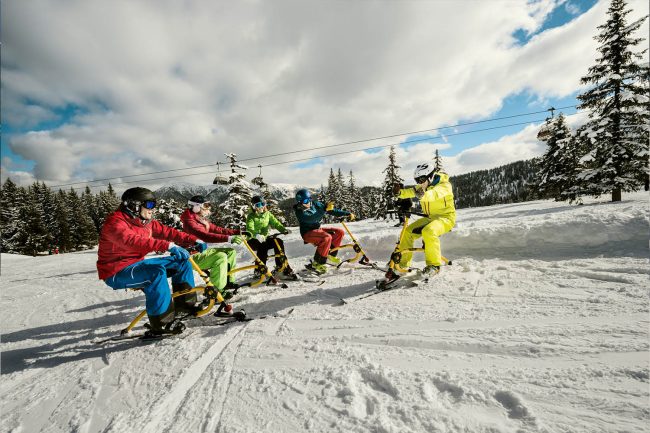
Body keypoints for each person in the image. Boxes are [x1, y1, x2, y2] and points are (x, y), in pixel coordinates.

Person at [97, 187, 207, 335]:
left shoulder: (144, 222)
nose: (153, 209)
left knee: (182, 261)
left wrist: (194, 239)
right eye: (149, 205)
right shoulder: (115, 223)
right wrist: (167, 246)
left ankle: (185, 306)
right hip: (116, 271)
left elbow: (168, 232)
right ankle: (162, 323)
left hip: (137, 264)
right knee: (155, 273)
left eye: (154, 205)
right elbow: (133, 241)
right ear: (134, 206)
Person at [392, 163, 456, 277]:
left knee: (429, 231)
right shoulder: (423, 186)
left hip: (446, 218)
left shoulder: (444, 185)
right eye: (417, 180)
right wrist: (399, 193)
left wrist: (422, 195)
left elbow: (434, 194)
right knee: (407, 232)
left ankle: (434, 266)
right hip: (430, 218)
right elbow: (410, 191)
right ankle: (403, 264)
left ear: (430, 176)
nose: (419, 183)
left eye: (421, 180)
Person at [180, 195, 245, 300]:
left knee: (230, 252)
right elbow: (205, 236)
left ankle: (227, 282)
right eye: (205, 205)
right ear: (196, 207)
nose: (208, 208)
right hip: (192, 255)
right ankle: (216, 292)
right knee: (220, 257)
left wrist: (238, 232)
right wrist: (228, 239)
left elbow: (217, 229)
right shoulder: (190, 222)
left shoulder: (199, 219)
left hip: (201, 251)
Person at [293, 189, 354, 275]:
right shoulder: (299, 211)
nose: (305, 203)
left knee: (339, 232)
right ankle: (318, 263)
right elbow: (311, 219)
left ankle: (330, 255)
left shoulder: (316, 204)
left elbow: (331, 210)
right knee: (326, 237)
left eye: (307, 200)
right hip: (307, 233)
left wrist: (347, 213)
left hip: (318, 230)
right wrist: (324, 209)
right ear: (299, 202)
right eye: (302, 201)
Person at [245, 195, 296, 279]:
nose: (261, 207)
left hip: (264, 238)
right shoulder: (251, 216)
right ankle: (259, 270)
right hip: (253, 239)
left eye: (262, 204)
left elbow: (275, 223)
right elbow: (249, 229)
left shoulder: (267, 214)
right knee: (262, 246)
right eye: (258, 205)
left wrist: (283, 230)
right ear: (253, 206)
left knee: (278, 241)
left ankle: (281, 267)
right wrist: (256, 235)